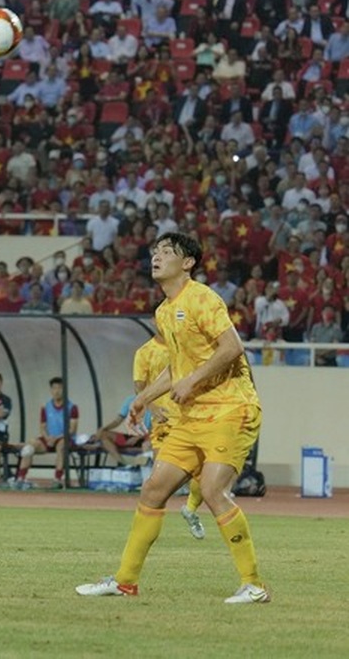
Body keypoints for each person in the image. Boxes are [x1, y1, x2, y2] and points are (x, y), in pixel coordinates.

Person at [77, 232, 268, 604]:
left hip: (230, 407)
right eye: (155, 252)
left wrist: (194, 379)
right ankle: (125, 581)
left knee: (213, 491)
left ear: (188, 263)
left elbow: (232, 347)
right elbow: (177, 368)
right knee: (153, 489)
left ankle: (254, 584)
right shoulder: (164, 312)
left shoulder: (202, 298)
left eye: (167, 252)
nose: (156, 257)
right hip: (192, 416)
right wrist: (143, 398)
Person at [133, 325, 206, 540]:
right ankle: (150, 525)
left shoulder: (182, 347)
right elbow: (139, 386)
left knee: (203, 472)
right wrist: (153, 409)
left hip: (189, 417)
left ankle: (191, 508)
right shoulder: (145, 352)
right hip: (164, 420)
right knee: (159, 479)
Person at [13, 376, 77, 489]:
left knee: (61, 446)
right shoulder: (46, 407)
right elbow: (42, 427)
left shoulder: (72, 407)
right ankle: (20, 478)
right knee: (30, 445)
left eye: (60, 388)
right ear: (51, 390)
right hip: (49, 439)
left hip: (64, 439)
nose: (57, 391)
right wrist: (47, 438)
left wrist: (56, 438)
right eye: (54, 388)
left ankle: (57, 479)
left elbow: (72, 430)